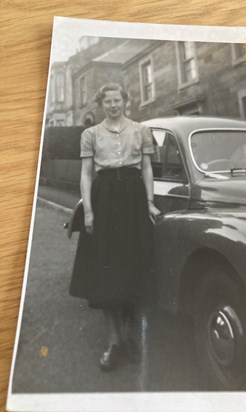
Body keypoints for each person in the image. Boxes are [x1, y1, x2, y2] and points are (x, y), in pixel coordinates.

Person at [69, 83, 160, 370]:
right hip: (104, 199)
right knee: (105, 275)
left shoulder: (141, 130)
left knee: (133, 270)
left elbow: (146, 168)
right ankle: (113, 343)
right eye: (107, 101)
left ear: (125, 101)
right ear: (101, 104)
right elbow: (86, 174)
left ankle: (130, 339)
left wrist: (149, 202)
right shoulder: (90, 135)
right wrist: (89, 211)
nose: (113, 105)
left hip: (133, 200)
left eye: (117, 99)